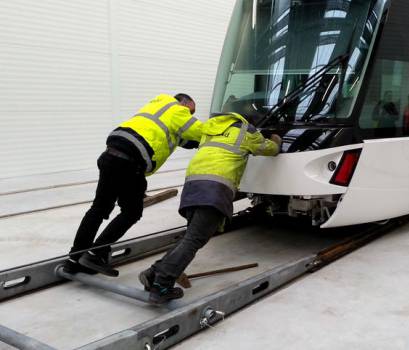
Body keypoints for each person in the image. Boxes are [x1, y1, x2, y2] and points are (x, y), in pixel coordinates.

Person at [139, 112, 282, 304]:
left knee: (190, 236)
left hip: (192, 184)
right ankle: (162, 285)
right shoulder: (247, 131)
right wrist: (275, 140)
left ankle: (154, 272)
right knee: (194, 240)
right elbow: (269, 150)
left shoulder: (211, 128)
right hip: (215, 188)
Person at [65, 93, 204, 276]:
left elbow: (185, 139)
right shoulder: (178, 110)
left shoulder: (157, 106)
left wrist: (195, 144)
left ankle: (74, 259)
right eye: (191, 110)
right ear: (183, 103)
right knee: (132, 211)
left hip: (111, 154)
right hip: (130, 163)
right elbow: (202, 131)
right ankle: (95, 254)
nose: (191, 115)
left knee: (99, 208)